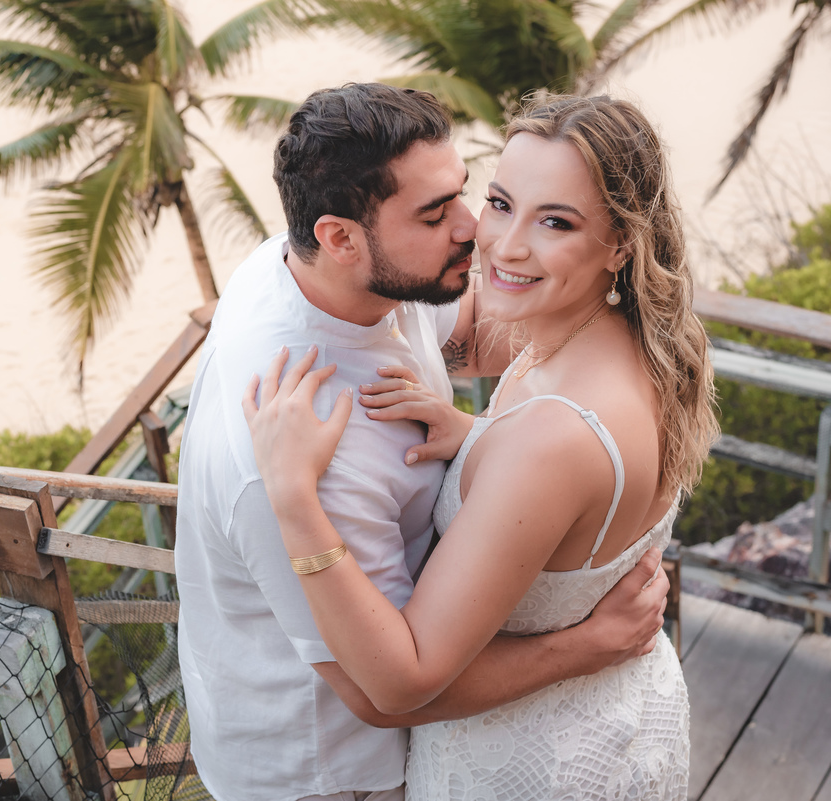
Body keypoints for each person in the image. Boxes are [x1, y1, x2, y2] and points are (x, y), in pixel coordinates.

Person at [175, 83, 673, 801]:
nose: (477, 230)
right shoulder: (303, 447)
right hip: (333, 770)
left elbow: (472, 329)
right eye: (438, 214)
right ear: (339, 237)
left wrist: (480, 436)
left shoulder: (325, 270)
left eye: (475, 196)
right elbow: (384, 693)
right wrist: (588, 645)